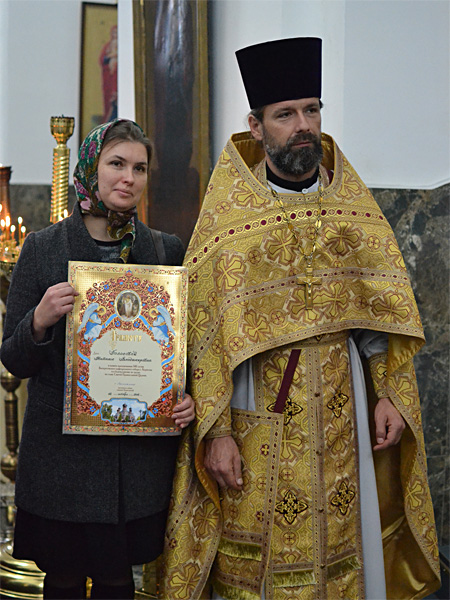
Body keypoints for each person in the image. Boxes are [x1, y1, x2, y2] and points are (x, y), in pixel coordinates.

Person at [160, 39, 440, 599]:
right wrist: (216, 433)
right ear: (256, 126)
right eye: (285, 114)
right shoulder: (228, 217)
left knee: (344, 548)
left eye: (311, 110)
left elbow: (376, 313)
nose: (303, 125)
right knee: (256, 559)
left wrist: (388, 393)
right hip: (256, 404)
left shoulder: (350, 206)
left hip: (342, 404)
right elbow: (205, 337)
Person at [0, 119, 195, 600]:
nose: (129, 178)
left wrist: (185, 396)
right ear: (90, 167)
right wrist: (39, 320)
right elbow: (14, 359)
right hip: (62, 458)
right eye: (117, 164)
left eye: (139, 168)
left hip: (136, 459)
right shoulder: (44, 248)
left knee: (117, 579)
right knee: (63, 578)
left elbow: (183, 352)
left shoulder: (164, 250)